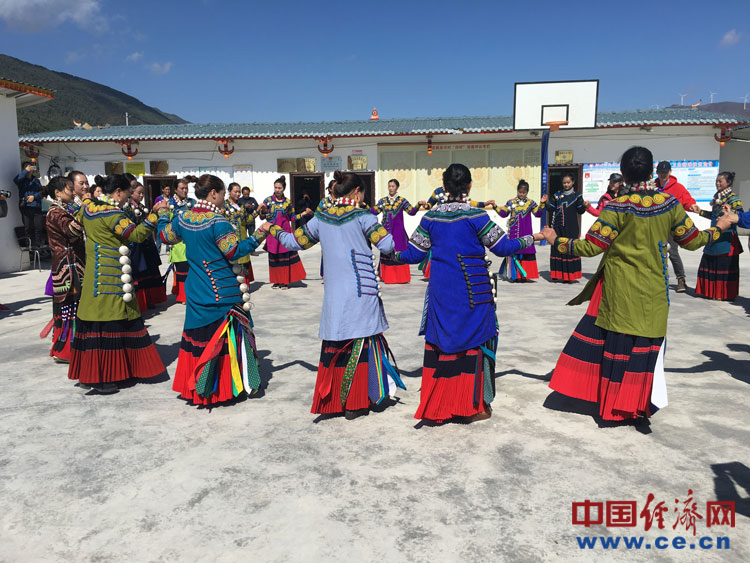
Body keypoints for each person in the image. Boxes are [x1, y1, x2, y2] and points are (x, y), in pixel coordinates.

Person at [543, 147, 732, 423]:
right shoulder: (669, 203)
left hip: (619, 292)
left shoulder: (617, 207)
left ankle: (613, 406)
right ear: (651, 170)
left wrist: (556, 240)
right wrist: (720, 227)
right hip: (654, 292)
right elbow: (692, 240)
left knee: (619, 346)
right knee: (644, 349)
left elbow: (590, 247)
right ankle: (637, 405)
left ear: (624, 173)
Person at [393, 164, 542, 423]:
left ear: (444, 186)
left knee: (442, 342)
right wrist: (536, 237)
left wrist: (391, 254)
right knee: (474, 341)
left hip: (441, 291)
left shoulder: (431, 218)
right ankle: (471, 407)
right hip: (473, 291)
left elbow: (414, 254)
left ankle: (438, 406)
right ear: (470, 185)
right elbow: (503, 248)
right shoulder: (476, 216)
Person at [260, 170, 405, 419]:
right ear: (357, 192)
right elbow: (388, 245)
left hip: (335, 295)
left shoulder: (322, 218)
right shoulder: (363, 216)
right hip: (361, 291)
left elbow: (294, 242)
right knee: (359, 343)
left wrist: (272, 228)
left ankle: (334, 402)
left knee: (337, 343)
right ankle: (357, 403)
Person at [158, 175, 269, 406]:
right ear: (213, 194)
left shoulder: (183, 218)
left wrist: (163, 215)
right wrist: (260, 233)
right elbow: (233, 252)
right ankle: (224, 388)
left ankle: (199, 388)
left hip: (196, 289)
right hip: (222, 291)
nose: (224, 198)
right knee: (223, 339)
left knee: (199, 337)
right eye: (222, 193)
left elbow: (164, 236)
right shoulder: (219, 222)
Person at [69, 174, 168, 393]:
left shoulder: (87, 209)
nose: (128, 198)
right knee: (113, 323)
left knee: (95, 325)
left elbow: (73, 229)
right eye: (127, 194)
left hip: (94, 277)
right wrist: (156, 215)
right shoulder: (114, 214)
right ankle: (103, 378)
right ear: (117, 192)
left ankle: (91, 374)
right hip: (112, 277)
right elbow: (136, 235)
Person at [42, 177, 85, 363]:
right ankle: (67, 351)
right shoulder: (56, 213)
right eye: (69, 189)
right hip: (68, 267)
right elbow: (72, 232)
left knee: (73, 307)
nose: (73, 192)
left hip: (72, 265)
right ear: (57, 193)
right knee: (70, 307)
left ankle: (70, 349)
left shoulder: (64, 210)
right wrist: (84, 210)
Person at [415, 186, 494, 278]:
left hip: (456, 224)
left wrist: (484, 203)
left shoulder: (459, 191)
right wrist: (424, 205)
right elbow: (429, 204)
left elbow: (471, 203)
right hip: (441, 223)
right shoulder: (438, 191)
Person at [695, 172, 743, 301]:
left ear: (728, 182)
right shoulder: (717, 197)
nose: (717, 184)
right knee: (709, 262)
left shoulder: (733, 199)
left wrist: (730, 211)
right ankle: (710, 292)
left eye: (720, 181)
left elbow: (740, 215)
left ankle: (724, 294)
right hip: (715, 235)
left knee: (723, 265)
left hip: (727, 238)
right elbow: (715, 216)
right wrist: (701, 212)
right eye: (716, 181)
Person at [257, 176, 311, 289]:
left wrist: (303, 214)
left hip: (284, 233)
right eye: (276, 187)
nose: (277, 190)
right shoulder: (268, 201)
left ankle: (285, 281)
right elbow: (262, 217)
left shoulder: (288, 202)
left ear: (284, 189)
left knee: (285, 258)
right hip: (272, 233)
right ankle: (276, 281)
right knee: (274, 258)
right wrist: (261, 210)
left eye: (279, 188)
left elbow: (292, 217)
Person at [656, 161, 701, 293]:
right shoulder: (653, 187)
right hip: (656, 225)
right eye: (660, 172)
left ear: (670, 172)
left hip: (671, 226)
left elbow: (686, 200)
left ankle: (681, 279)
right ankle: (659, 279)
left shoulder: (678, 187)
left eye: (665, 172)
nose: (663, 175)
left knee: (673, 253)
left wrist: (692, 206)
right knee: (655, 253)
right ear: (657, 173)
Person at [124, 183, 167, 311]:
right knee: (140, 272)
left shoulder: (142, 208)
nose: (142, 195)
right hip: (136, 244)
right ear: (131, 193)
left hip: (147, 242)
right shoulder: (127, 208)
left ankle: (151, 299)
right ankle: (141, 302)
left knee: (150, 271)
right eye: (139, 193)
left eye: (143, 193)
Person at [496, 179, 548, 281]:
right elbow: (504, 213)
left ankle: (524, 275)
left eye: (524, 192)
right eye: (520, 192)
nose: (521, 194)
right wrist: (495, 207)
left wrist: (542, 203)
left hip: (526, 231)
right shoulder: (511, 202)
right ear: (517, 191)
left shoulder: (531, 203)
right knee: (514, 252)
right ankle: (514, 275)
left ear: (527, 192)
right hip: (514, 233)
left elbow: (538, 214)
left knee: (525, 251)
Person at [370, 178, 419, 283]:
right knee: (386, 252)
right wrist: (364, 207)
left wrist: (418, 205)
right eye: (389, 186)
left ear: (397, 187)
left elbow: (412, 212)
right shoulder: (383, 201)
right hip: (386, 232)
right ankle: (388, 277)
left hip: (399, 232)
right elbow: (374, 211)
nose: (391, 188)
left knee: (399, 252)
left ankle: (401, 278)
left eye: (393, 186)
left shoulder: (402, 201)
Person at [547, 173, 588, 282]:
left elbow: (580, 210)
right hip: (558, 227)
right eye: (564, 182)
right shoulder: (557, 195)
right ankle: (556, 274)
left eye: (568, 182)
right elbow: (550, 208)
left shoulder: (577, 196)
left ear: (573, 182)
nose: (566, 184)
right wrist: (545, 202)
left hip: (571, 228)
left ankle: (569, 276)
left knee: (569, 248)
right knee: (557, 248)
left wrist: (585, 206)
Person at [167, 177, 195, 302]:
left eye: (186, 188)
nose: (185, 191)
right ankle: (184, 296)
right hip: (178, 242)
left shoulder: (192, 202)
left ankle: (193, 294)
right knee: (182, 270)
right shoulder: (169, 204)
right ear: (175, 190)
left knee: (193, 270)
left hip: (192, 242)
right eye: (182, 188)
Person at [224, 182, 255, 283]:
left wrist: (257, 212)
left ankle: (245, 285)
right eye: (235, 192)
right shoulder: (224, 206)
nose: (238, 194)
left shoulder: (241, 206)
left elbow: (246, 220)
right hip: (230, 239)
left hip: (243, 237)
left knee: (244, 260)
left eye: (239, 192)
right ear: (229, 191)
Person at [14, 161, 45, 252]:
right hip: (26, 206)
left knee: (38, 226)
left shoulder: (36, 181)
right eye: (27, 167)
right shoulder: (21, 180)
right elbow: (16, 180)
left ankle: (38, 245)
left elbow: (41, 193)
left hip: (36, 206)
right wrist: (25, 171)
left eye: (30, 167)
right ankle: (30, 245)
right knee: (28, 227)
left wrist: (34, 197)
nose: (30, 169)